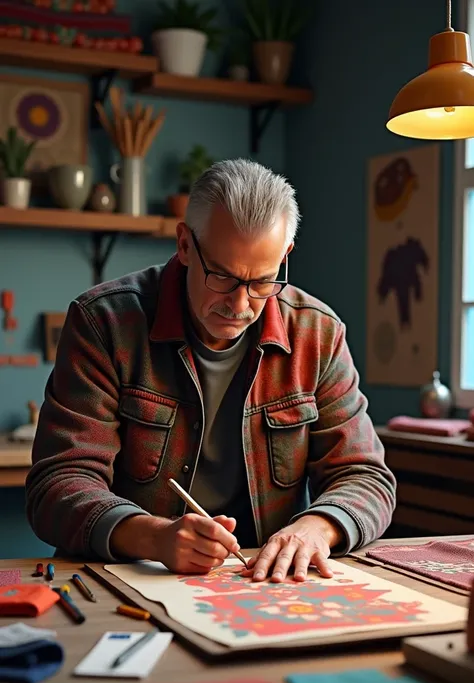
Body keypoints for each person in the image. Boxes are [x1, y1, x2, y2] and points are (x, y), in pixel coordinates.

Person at [26, 159, 396, 583]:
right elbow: (57, 485)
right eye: (221, 276)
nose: (240, 306)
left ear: (284, 256)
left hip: (263, 585)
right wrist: (154, 538)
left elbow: (365, 476)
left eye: (262, 281)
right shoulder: (104, 323)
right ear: (184, 244)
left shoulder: (317, 333)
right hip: (132, 579)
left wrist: (317, 528)